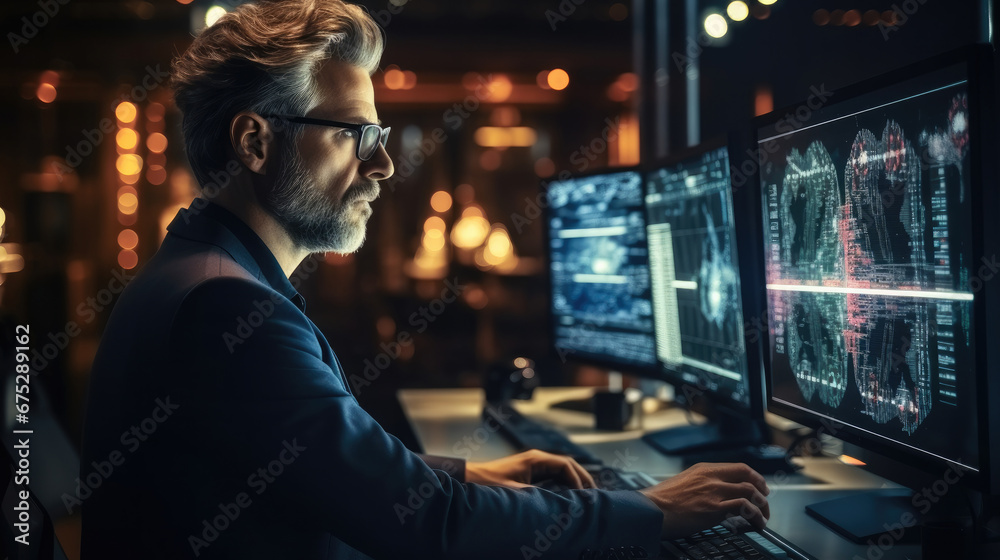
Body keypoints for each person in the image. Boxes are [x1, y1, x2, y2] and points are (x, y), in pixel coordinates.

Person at [79, 1, 770, 558]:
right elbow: (424, 527)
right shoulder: (225, 310)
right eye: (354, 135)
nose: (382, 168)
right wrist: (649, 510)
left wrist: (474, 473)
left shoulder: (201, 273)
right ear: (256, 142)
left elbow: (331, 472)